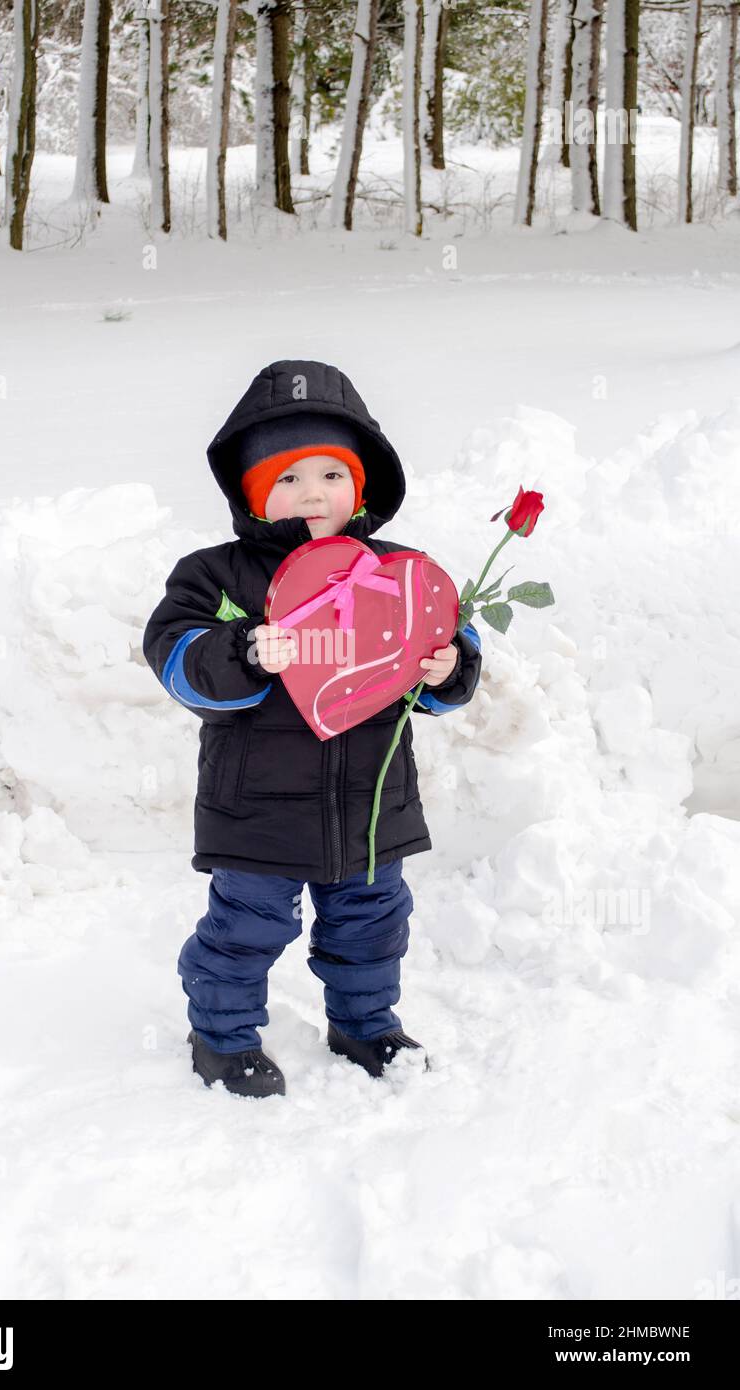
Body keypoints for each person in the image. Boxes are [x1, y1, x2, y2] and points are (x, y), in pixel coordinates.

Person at [143, 359, 482, 1098]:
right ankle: (222, 1037)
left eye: (332, 473)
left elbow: (451, 658)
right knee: (246, 928)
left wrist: (445, 669)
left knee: (372, 924)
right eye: (288, 477)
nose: (313, 493)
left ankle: (365, 1024)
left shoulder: (400, 571)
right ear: (253, 490)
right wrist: (241, 653)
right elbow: (174, 657)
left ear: (361, 485)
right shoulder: (219, 576)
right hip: (256, 808)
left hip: (372, 804)